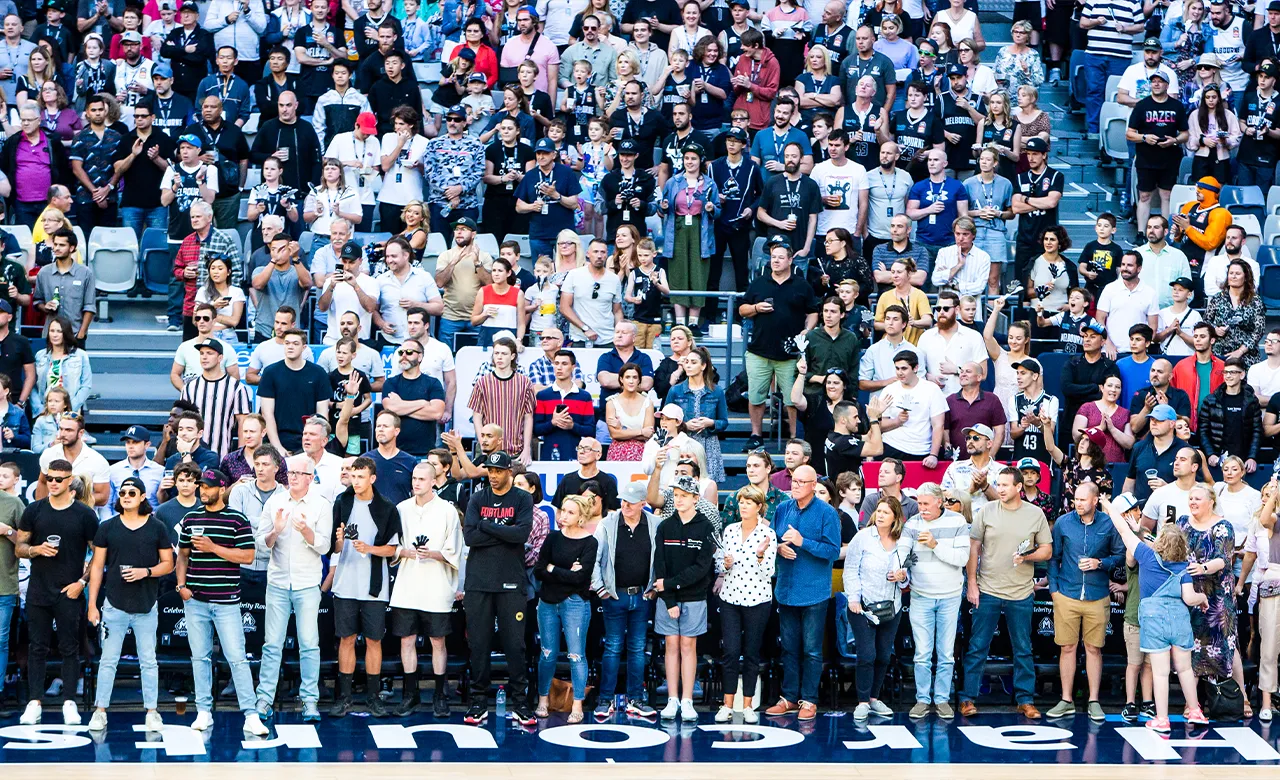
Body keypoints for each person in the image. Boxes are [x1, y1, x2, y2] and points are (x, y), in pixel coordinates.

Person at [172, 468, 269, 735]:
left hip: (227, 602)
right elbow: (182, 555)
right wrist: (181, 586)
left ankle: (250, 714)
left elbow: (248, 557)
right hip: (196, 602)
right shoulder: (190, 518)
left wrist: (214, 548)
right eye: (200, 486)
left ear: (222, 488)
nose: (203, 490)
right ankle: (204, 711)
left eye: (208, 487)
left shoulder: (237, 519)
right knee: (199, 658)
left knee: (237, 658)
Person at [1105, 495, 1210, 732]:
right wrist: (1202, 600)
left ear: (1159, 542)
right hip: (1179, 619)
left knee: (1160, 673)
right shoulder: (1184, 567)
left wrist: (1109, 506)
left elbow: (1123, 530)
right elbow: (1189, 598)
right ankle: (1195, 711)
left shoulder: (1146, 556)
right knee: (1185, 668)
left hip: (1153, 621)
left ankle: (1161, 719)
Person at [959, 468, 1052, 719]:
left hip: (1021, 591)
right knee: (978, 646)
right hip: (987, 588)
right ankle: (967, 698)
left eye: (1005, 485)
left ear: (1019, 487)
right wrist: (971, 583)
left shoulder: (1035, 514)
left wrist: (1027, 557)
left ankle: (1025, 700)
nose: (999, 489)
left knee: (1023, 647)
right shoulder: (987, 511)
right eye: (997, 484)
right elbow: (973, 548)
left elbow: (1047, 550)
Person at [84, 477, 173, 732]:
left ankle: (152, 711)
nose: (126, 496)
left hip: (146, 603)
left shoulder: (156, 527)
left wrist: (145, 571)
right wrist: (92, 604)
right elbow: (97, 567)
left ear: (143, 496)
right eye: (122, 492)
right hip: (114, 603)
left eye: (132, 492)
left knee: (149, 660)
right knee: (108, 660)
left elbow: (168, 564)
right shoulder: (108, 527)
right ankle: (100, 711)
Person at [14, 459, 97, 727]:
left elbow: (98, 554)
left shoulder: (84, 515)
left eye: (59, 479)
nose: (53, 483)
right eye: (50, 478)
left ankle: (69, 702)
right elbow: (19, 547)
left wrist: (81, 583)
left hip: (70, 590)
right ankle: (34, 702)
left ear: (70, 481)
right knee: (36, 647)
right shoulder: (35, 510)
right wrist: (35, 550)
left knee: (69, 648)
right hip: (39, 590)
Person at [254, 454, 333, 722]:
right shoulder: (275, 501)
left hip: (307, 583)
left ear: (311, 478)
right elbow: (260, 544)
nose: (292, 477)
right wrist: (275, 531)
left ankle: (310, 700)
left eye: (299, 473)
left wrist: (308, 533)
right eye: (290, 473)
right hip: (277, 582)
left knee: (309, 644)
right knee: (271, 644)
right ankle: (264, 698)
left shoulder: (322, 505)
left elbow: (325, 546)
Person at [461, 451, 537, 726]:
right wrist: (502, 530)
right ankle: (479, 700)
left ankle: (520, 701)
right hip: (479, 582)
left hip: (511, 582)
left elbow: (521, 534)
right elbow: (470, 536)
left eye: (497, 471)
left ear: (509, 472)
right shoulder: (478, 498)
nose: (492, 476)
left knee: (514, 645)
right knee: (479, 645)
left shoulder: (522, 498)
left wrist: (487, 526)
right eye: (489, 471)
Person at [1043, 482, 1125, 721]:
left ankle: (1094, 701)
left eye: (1082, 500)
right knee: (1067, 648)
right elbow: (1053, 557)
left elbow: (1120, 556)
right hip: (1066, 594)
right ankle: (1066, 699)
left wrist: (1101, 563)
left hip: (1097, 595)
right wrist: (1054, 591)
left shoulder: (1109, 524)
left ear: (1095, 500)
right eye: (1075, 499)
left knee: (1094, 649)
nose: (1077, 503)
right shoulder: (1063, 523)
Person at [765, 464, 841, 720]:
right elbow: (772, 537)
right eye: (793, 481)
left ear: (812, 485)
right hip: (786, 588)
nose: (794, 485)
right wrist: (777, 548)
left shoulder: (827, 513)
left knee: (811, 650)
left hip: (813, 592)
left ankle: (809, 700)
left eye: (800, 481)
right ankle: (788, 698)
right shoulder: (783, 508)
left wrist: (802, 542)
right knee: (788, 648)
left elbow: (832, 552)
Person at [329, 456, 399, 718]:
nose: (355, 481)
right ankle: (345, 697)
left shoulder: (387, 507)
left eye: (360, 476)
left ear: (372, 478)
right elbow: (333, 548)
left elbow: (393, 549)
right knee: (345, 639)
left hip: (374, 587)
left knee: (373, 640)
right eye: (352, 476)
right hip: (345, 583)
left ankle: (373, 697)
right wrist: (338, 542)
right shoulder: (341, 502)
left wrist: (369, 549)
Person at [739, 239, 818, 451]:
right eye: (773, 257)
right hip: (759, 350)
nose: (776, 261)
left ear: (791, 260)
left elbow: (813, 311)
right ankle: (756, 435)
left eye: (781, 257)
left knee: (792, 399)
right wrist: (756, 307)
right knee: (756, 395)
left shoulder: (802, 285)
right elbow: (742, 309)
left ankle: (794, 437)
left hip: (790, 353)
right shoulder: (759, 283)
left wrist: (807, 329)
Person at [590, 480, 659, 720]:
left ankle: (636, 699)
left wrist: (654, 589)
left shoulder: (655, 524)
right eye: (623, 501)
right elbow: (594, 558)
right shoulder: (607, 524)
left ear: (643, 504)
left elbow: (662, 559)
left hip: (642, 595)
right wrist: (601, 589)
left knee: (638, 649)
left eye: (631, 502)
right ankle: (605, 699)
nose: (625, 505)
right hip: (614, 595)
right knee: (612, 648)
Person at [900, 483, 969, 719]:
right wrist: (899, 571)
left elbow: (961, 558)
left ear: (939, 502)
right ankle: (922, 699)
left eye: (926, 503)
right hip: (920, 596)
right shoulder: (912, 524)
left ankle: (941, 700)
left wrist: (935, 545)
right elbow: (902, 553)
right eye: (919, 503)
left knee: (946, 653)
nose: (921, 508)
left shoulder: (958, 522)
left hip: (950, 596)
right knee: (922, 653)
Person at [710, 484, 776, 724]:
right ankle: (727, 704)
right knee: (730, 652)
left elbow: (769, 571)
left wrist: (760, 555)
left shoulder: (767, 535)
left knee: (751, 653)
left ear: (759, 507)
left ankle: (748, 704)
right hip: (730, 598)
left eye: (749, 502)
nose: (743, 506)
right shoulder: (729, 530)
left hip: (758, 599)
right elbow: (720, 565)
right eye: (741, 502)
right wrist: (725, 564)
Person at [532, 494, 598, 723]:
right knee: (547, 654)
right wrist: (565, 571)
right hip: (548, 602)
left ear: (581, 516)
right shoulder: (552, 538)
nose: (563, 516)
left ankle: (577, 703)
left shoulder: (590, 542)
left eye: (570, 512)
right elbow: (539, 569)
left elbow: (581, 578)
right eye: (563, 511)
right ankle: (543, 700)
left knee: (576, 655)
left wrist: (554, 569)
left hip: (575, 603)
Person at [845, 495, 910, 720]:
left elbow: (907, 578)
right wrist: (853, 598)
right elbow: (851, 568)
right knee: (867, 654)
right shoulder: (863, 537)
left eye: (885, 512)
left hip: (891, 607)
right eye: (879, 511)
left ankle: (874, 698)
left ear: (895, 518)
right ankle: (862, 701)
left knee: (883, 654)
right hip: (862, 606)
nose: (880, 515)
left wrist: (902, 577)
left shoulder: (903, 541)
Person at [257, 328, 330, 452]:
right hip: (276, 440)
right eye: (287, 343)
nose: (290, 347)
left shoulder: (318, 373)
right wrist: (277, 447)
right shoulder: (270, 372)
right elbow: (267, 413)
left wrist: (314, 445)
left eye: (295, 344)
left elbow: (322, 416)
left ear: (304, 347)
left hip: (308, 440)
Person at [467, 337, 536, 463]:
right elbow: (477, 416)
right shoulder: (482, 382)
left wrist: (527, 448)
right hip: (488, 450)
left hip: (515, 450)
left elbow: (528, 417)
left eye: (504, 354)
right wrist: (483, 443)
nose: (499, 357)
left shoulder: (524, 382)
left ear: (512, 356)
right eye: (496, 353)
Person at [876, 351, 947, 465]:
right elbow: (879, 425)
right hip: (892, 447)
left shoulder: (931, 389)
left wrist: (933, 454)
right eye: (897, 368)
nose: (900, 373)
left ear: (915, 368)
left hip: (922, 451)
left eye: (904, 368)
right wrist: (897, 421)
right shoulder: (889, 390)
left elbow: (938, 425)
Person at [1198, 358, 1262, 472]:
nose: (1228, 376)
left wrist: (1252, 457)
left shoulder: (1251, 401)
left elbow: (1257, 431)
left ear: (1242, 375)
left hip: (1243, 461)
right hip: (1218, 460)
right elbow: (1202, 430)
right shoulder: (1211, 400)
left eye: (1232, 372)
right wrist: (1210, 454)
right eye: (1225, 372)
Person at [33, 229, 96, 343]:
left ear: (72, 248)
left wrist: (81, 334)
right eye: (55, 244)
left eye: (62, 245)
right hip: (50, 335)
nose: (56, 248)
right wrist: (45, 307)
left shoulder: (85, 273)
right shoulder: (44, 272)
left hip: (75, 333)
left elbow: (90, 307)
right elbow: (37, 301)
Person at [533, 350, 595, 460]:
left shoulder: (584, 397)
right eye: (556, 363)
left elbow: (590, 430)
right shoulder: (543, 396)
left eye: (564, 364)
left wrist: (572, 426)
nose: (559, 367)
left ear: (573, 367)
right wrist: (553, 422)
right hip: (548, 454)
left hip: (576, 454)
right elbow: (536, 429)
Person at [561, 239, 624, 346]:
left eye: (602, 252)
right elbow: (564, 307)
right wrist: (585, 328)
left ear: (607, 255)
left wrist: (619, 334)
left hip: (608, 339)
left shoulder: (614, 279)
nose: (599, 256)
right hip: (580, 338)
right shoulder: (574, 275)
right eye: (595, 252)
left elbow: (617, 311)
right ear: (588, 254)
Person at [1205, 259, 1267, 366]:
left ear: (1246, 277)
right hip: (1220, 355)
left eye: (1237, 274)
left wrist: (1240, 351)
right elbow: (1206, 321)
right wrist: (1215, 329)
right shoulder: (1218, 298)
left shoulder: (1255, 301)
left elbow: (1258, 331)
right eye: (1231, 273)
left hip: (1246, 356)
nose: (1233, 276)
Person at [1061, 322, 1121, 427]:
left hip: (1099, 422)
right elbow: (1067, 389)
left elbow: (1109, 395)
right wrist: (1095, 387)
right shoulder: (1072, 363)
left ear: (1103, 342)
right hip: (1070, 419)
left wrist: (1078, 392)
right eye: (1085, 336)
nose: (1087, 340)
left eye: (1092, 337)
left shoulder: (1110, 367)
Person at [1170, 322, 1225, 430]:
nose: (1198, 339)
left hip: (1215, 426)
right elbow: (1171, 393)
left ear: (1212, 340)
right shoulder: (1181, 366)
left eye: (1202, 336)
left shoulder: (1223, 367)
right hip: (1186, 426)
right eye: (1195, 336)